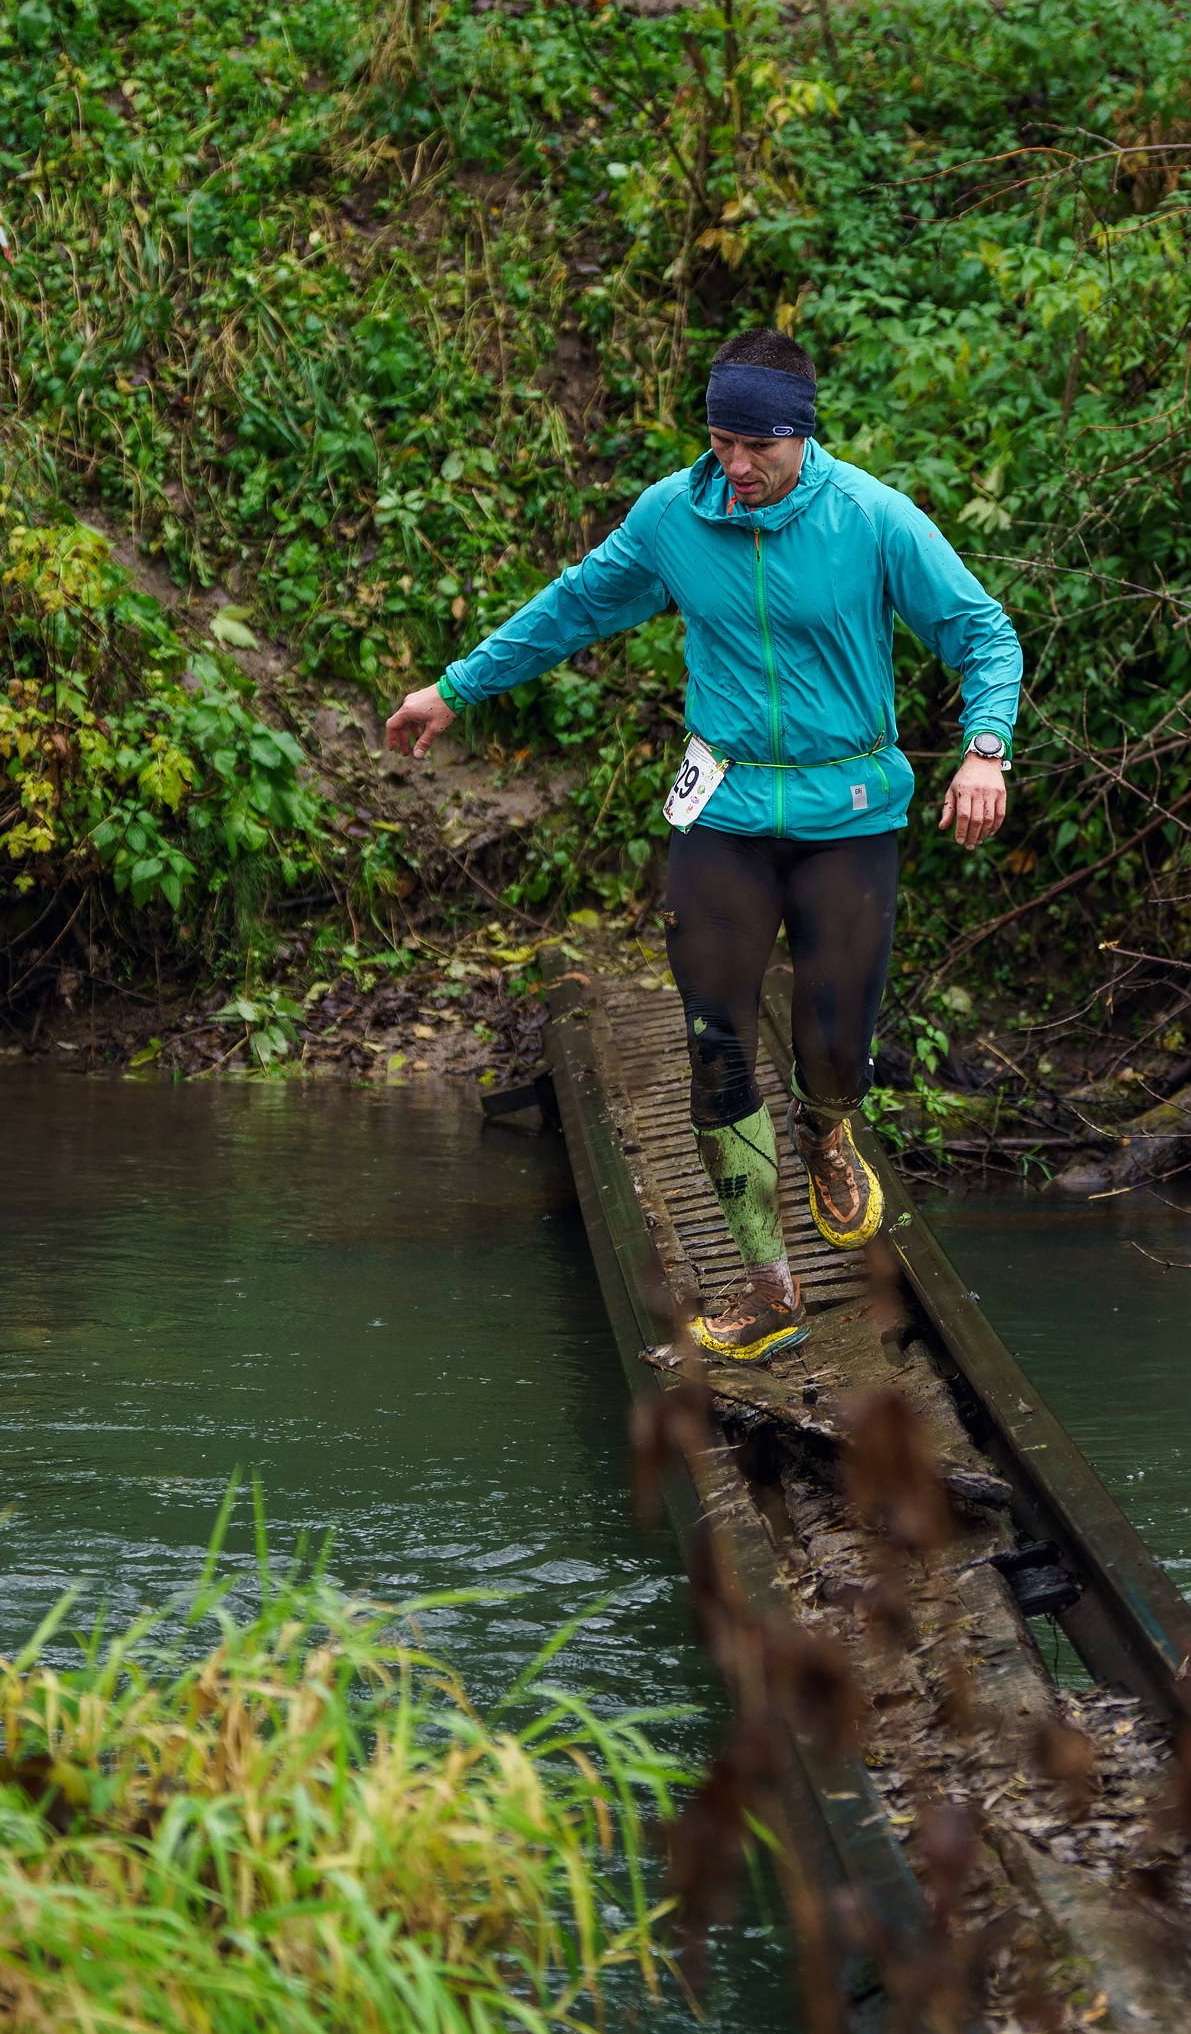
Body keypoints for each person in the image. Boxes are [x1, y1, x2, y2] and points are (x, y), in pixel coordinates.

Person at [385, 328, 1021, 1362]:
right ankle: (765, 1287)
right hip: (722, 812)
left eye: (756, 448)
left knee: (832, 1035)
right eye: (719, 441)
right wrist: (454, 689)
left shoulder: (869, 520)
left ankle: (825, 1129)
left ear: (801, 438)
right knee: (714, 1040)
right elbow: (573, 608)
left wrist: (983, 750)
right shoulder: (674, 519)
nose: (734, 468)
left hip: (848, 814)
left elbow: (982, 633)